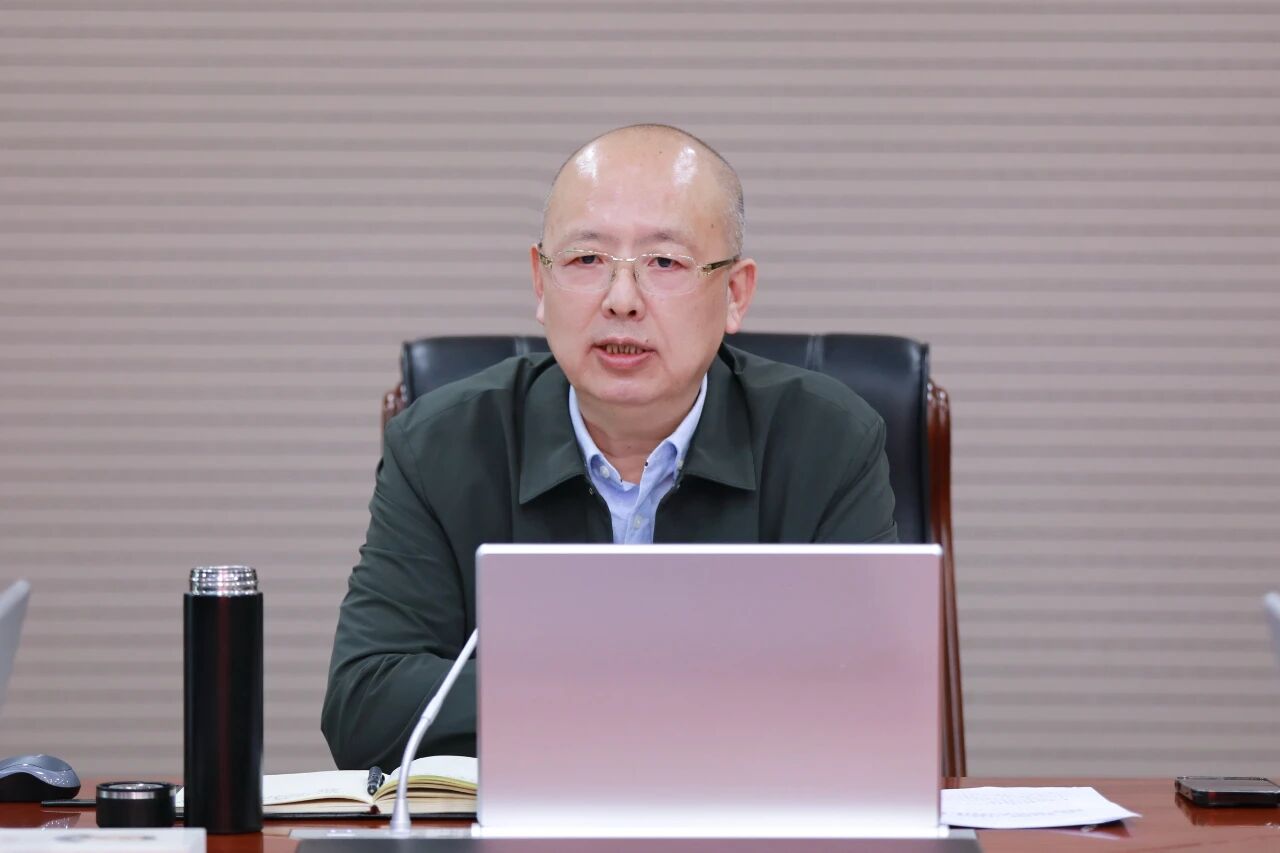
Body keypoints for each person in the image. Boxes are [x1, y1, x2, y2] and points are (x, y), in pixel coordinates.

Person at [322, 124, 898, 770]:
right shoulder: (440, 448)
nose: (621, 301)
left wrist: (572, 695)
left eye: (664, 263)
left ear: (735, 293)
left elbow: (877, 704)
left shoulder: (828, 444)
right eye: (587, 260)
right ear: (540, 284)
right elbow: (364, 705)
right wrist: (628, 691)